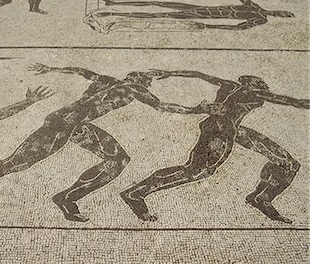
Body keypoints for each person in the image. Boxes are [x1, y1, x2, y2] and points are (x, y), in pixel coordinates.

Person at [0, 63, 224, 222]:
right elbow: (162, 107)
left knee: (117, 159)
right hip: (64, 124)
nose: (148, 82)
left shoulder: (109, 79)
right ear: (140, 80)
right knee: (12, 165)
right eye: (147, 79)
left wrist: (50, 69)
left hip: (76, 124)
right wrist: (199, 109)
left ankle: (67, 199)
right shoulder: (133, 87)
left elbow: (82, 71)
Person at [120, 70, 309, 223]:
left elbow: (200, 74)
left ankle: (262, 198)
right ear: (254, 85)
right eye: (262, 85)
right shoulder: (253, 92)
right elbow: (293, 101)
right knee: (196, 171)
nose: (265, 88)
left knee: (287, 162)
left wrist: (169, 72)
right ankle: (136, 193)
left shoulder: (230, 85)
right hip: (221, 132)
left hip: (227, 128)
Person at [98, 0, 294, 30]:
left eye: (283, 16)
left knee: (158, 15)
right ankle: (114, 3)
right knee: (157, 3)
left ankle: (111, 15)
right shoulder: (255, 6)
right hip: (200, 9)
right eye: (283, 12)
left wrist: (207, 25)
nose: (279, 14)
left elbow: (239, 28)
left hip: (205, 15)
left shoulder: (260, 19)